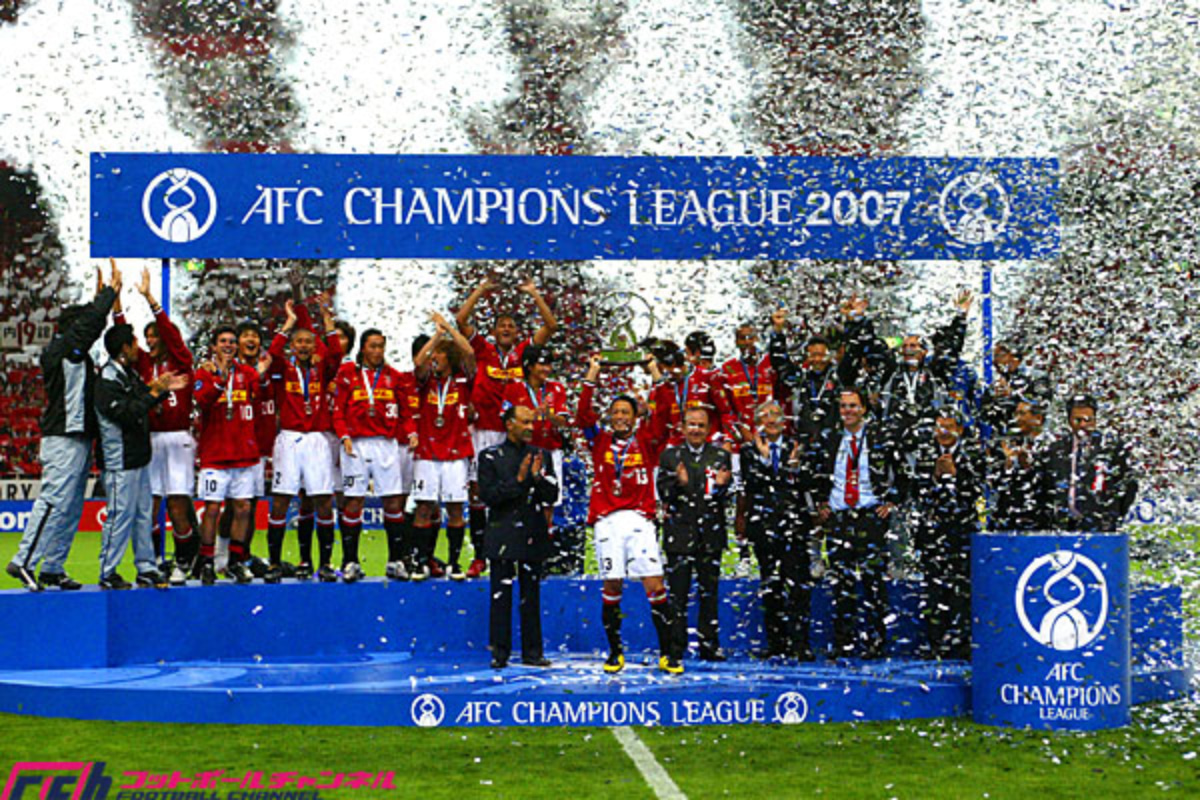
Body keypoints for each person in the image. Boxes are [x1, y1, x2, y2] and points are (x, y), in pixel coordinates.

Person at [6, 261, 118, 591]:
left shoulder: (75, 354)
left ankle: (52, 567)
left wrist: (101, 299)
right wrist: (108, 295)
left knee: (71, 506)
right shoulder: (62, 350)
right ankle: (24, 561)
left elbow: (89, 329)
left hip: (78, 438)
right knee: (54, 500)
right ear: (74, 329)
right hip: (63, 438)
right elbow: (88, 328)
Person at [576, 353, 681, 674]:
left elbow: (666, 411)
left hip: (640, 520)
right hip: (607, 522)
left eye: (626, 412)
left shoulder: (647, 440)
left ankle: (668, 653)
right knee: (612, 587)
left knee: (654, 585)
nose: (620, 417)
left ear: (636, 417)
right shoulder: (599, 441)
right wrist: (592, 372)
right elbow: (583, 414)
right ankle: (615, 652)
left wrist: (654, 371)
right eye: (616, 412)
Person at [456, 276, 559, 579]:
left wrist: (534, 294)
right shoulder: (483, 348)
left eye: (511, 326)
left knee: (518, 488)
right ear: (493, 331)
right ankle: (479, 555)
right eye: (501, 325)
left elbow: (551, 326)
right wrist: (480, 290)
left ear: (517, 332)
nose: (506, 329)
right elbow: (461, 320)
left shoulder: (524, 352)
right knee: (479, 492)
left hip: (513, 431)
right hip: (483, 429)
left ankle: (525, 549)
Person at [111, 268, 197, 582]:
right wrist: (116, 300)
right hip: (150, 438)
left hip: (178, 438)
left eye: (154, 336)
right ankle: (155, 559)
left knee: (178, 506)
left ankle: (184, 561)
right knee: (149, 505)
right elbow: (122, 335)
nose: (150, 341)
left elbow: (172, 334)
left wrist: (150, 298)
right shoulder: (144, 364)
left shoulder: (181, 361)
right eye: (147, 337)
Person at [811, 387, 909, 659]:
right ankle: (843, 641)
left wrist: (891, 502)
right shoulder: (830, 438)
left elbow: (903, 473)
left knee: (873, 582)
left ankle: (876, 641)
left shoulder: (881, 438)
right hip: (839, 519)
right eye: (844, 406)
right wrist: (821, 502)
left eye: (853, 405)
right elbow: (815, 472)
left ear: (864, 408)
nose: (848, 411)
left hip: (869, 517)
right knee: (840, 583)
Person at [94, 323, 187, 589]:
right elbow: (126, 412)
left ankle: (146, 567)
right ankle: (107, 571)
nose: (139, 347)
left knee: (143, 514)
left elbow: (141, 398)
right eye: (135, 342)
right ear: (124, 347)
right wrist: (155, 392)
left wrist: (163, 389)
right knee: (119, 515)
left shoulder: (127, 374)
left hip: (138, 456)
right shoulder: (107, 380)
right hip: (119, 460)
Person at [265, 299, 344, 581]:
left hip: (317, 440)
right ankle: (274, 563)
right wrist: (288, 324)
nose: (304, 346)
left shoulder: (322, 369)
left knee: (322, 500)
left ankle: (325, 563)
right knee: (281, 501)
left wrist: (326, 319)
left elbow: (336, 353)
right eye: (298, 342)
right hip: (288, 439)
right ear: (292, 346)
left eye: (308, 342)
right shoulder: (283, 369)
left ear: (314, 347)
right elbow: (272, 353)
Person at [478, 404, 558, 668]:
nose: (530, 427)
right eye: (524, 422)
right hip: (501, 533)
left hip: (532, 532)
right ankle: (499, 653)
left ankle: (533, 652)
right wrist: (521, 480)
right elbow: (489, 496)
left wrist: (537, 479)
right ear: (509, 424)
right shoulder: (489, 456)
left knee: (531, 596)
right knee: (500, 596)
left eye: (532, 422)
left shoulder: (542, 455)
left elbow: (552, 495)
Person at [331, 328, 410, 583]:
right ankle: (350, 561)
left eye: (381, 346)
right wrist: (343, 436)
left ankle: (395, 561)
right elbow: (338, 410)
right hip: (355, 445)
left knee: (393, 503)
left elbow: (406, 412)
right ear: (363, 348)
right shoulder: (347, 374)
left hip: (386, 445)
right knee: (354, 502)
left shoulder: (394, 376)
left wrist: (411, 432)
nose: (377, 351)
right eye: (373, 346)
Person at [656, 407, 734, 662]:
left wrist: (722, 486)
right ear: (682, 428)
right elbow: (663, 493)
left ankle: (709, 645)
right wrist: (678, 482)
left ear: (709, 429)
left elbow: (727, 496)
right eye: (691, 424)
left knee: (709, 593)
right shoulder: (670, 456)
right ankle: (675, 647)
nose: (696, 430)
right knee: (677, 595)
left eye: (701, 425)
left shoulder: (721, 455)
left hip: (710, 535)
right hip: (679, 535)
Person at [193, 326, 269, 584]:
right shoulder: (204, 372)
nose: (228, 345)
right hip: (215, 454)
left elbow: (259, 396)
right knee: (213, 509)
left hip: (244, 453)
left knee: (244, 508)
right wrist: (220, 377)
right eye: (223, 341)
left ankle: (235, 562)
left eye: (232, 342)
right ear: (214, 346)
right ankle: (206, 561)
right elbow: (203, 400)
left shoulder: (247, 373)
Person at [740, 400, 812, 660]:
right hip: (764, 526)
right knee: (771, 585)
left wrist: (792, 467)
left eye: (775, 414)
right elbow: (753, 484)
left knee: (798, 585)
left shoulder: (797, 447)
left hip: (794, 525)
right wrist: (766, 459)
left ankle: (800, 644)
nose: (770, 419)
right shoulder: (748, 450)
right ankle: (776, 644)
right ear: (758, 422)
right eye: (765, 415)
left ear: (784, 420)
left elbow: (805, 483)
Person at [910, 409, 983, 660]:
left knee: (961, 589)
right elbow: (915, 491)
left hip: (961, 533)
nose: (943, 432)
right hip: (932, 534)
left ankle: (961, 642)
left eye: (949, 426)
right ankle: (933, 641)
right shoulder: (924, 455)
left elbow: (978, 490)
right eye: (939, 427)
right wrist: (935, 477)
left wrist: (955, 476)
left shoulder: (973, 454)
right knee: (933, 588)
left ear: (960, 430)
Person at [410, 312, 476, 580]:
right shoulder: (425, 381)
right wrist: (437, 336)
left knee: (455, 509)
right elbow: (418, 362)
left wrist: (448, 327)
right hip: (427, 453)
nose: (432, 356)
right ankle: (421, 563)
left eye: (438, 353)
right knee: (424, 508)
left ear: (449, 357)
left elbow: (469, 352)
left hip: (456, 454)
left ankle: (454, 563)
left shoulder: (462, 380)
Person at [718, 320, 775, 579]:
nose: (747, 342)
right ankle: (743, 557)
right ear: (736, 342)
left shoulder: (770, 365)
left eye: (751, 337)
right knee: (743, 501)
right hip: (741, 445)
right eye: (742, 338)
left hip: (770, 443)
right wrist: (742, 433)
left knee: (772, 499)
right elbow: (726, 410)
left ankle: (773, 555)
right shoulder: (728, 369)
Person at [1037, 394, 1138, 532]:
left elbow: (1128, 485)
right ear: (1069, 420)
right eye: (1078, 420)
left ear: (1095, 420)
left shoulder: (1111, 448)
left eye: (1088, 420)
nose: (1083, 425)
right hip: (1062, 527)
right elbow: (1046, 486)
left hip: (1100, 527)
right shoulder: (1055, 450)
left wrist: (1113, 515)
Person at [501, 344, 570, 516]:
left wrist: (549, 415)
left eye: (549, 364)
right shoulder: (513, 389)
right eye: (542, 364)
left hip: (549, 451)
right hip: (521, 452)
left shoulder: (556, 388)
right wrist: (530, 416)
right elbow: (505, 420)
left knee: (549, 501)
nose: (547, 369)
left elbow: (564, 422)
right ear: (529, 366)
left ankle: (546, 533)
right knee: (518, 499)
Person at [990, 398, 1049, 531]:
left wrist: (1028, 466)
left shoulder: (1051, 446)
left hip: (1039, 523)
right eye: (1015, 414)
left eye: (1022, 414)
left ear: (1038, 418)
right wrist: (1008, 465)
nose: (1017, 419)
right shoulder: (1009, 444)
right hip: (1009, 521)